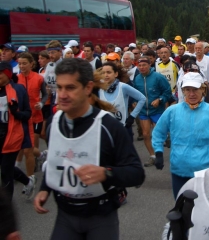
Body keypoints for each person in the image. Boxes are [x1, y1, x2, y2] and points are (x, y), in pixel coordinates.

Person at [33, 58, 145, 240]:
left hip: (100, 217)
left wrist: (105, 173)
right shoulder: (54, 122)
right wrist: (45, 187)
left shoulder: (109, 126)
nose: (62, 95)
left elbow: (136, 173)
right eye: (59, 88)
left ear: (87, 88)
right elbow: (56, 160)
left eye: (70, 88)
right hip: (65, 215)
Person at [152, 72, 209, 198]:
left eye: (195, 89)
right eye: (187, 90)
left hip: (204, 170)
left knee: (203, 209)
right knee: (180, 209)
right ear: (183, 90)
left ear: (203, 89)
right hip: (179, 169)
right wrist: (158, 152)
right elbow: (159, 132)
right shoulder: (172, 111)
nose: (191, 94)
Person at [0, 61, 34, 201]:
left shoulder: (18, 90)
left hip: (12, 136)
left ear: (8, 75)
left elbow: (28, 113)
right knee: (5, 167)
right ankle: (28, 181)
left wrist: (16, 112)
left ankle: (5, 209)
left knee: (5, 172)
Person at [134, 57, 171, 167]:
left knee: (157, 134)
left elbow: (167, 91)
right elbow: (134, 93)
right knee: (145, 134)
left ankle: (162, 147)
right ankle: (152, 156)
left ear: (150, 65)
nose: (142, 67)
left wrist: (159, 99)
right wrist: (134, 102)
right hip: (144, 111)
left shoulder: (158, 77)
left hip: (157, 110)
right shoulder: (137, 79)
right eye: (139, 65)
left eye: (144, 65)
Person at [16, 52, 48, 179]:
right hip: (22, 117)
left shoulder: (39, 78)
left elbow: (45, 94)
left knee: (29, 148)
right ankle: (39, 157)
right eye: (19, 64)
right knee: (22, 146)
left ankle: (31, 172)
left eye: (24, 63)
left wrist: (41, 103)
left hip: (36, 117)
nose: (22, 66)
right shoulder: (16, 79)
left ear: (31, 64)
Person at [99, 62, 146, 141]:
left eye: (109, 72)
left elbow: (142, 98)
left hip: (123, 128)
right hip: (107, 129)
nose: (106, 75)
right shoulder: (99, 89)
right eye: (103, 73)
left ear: (116, 74)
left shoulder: (123, 87)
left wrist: (132, 116)